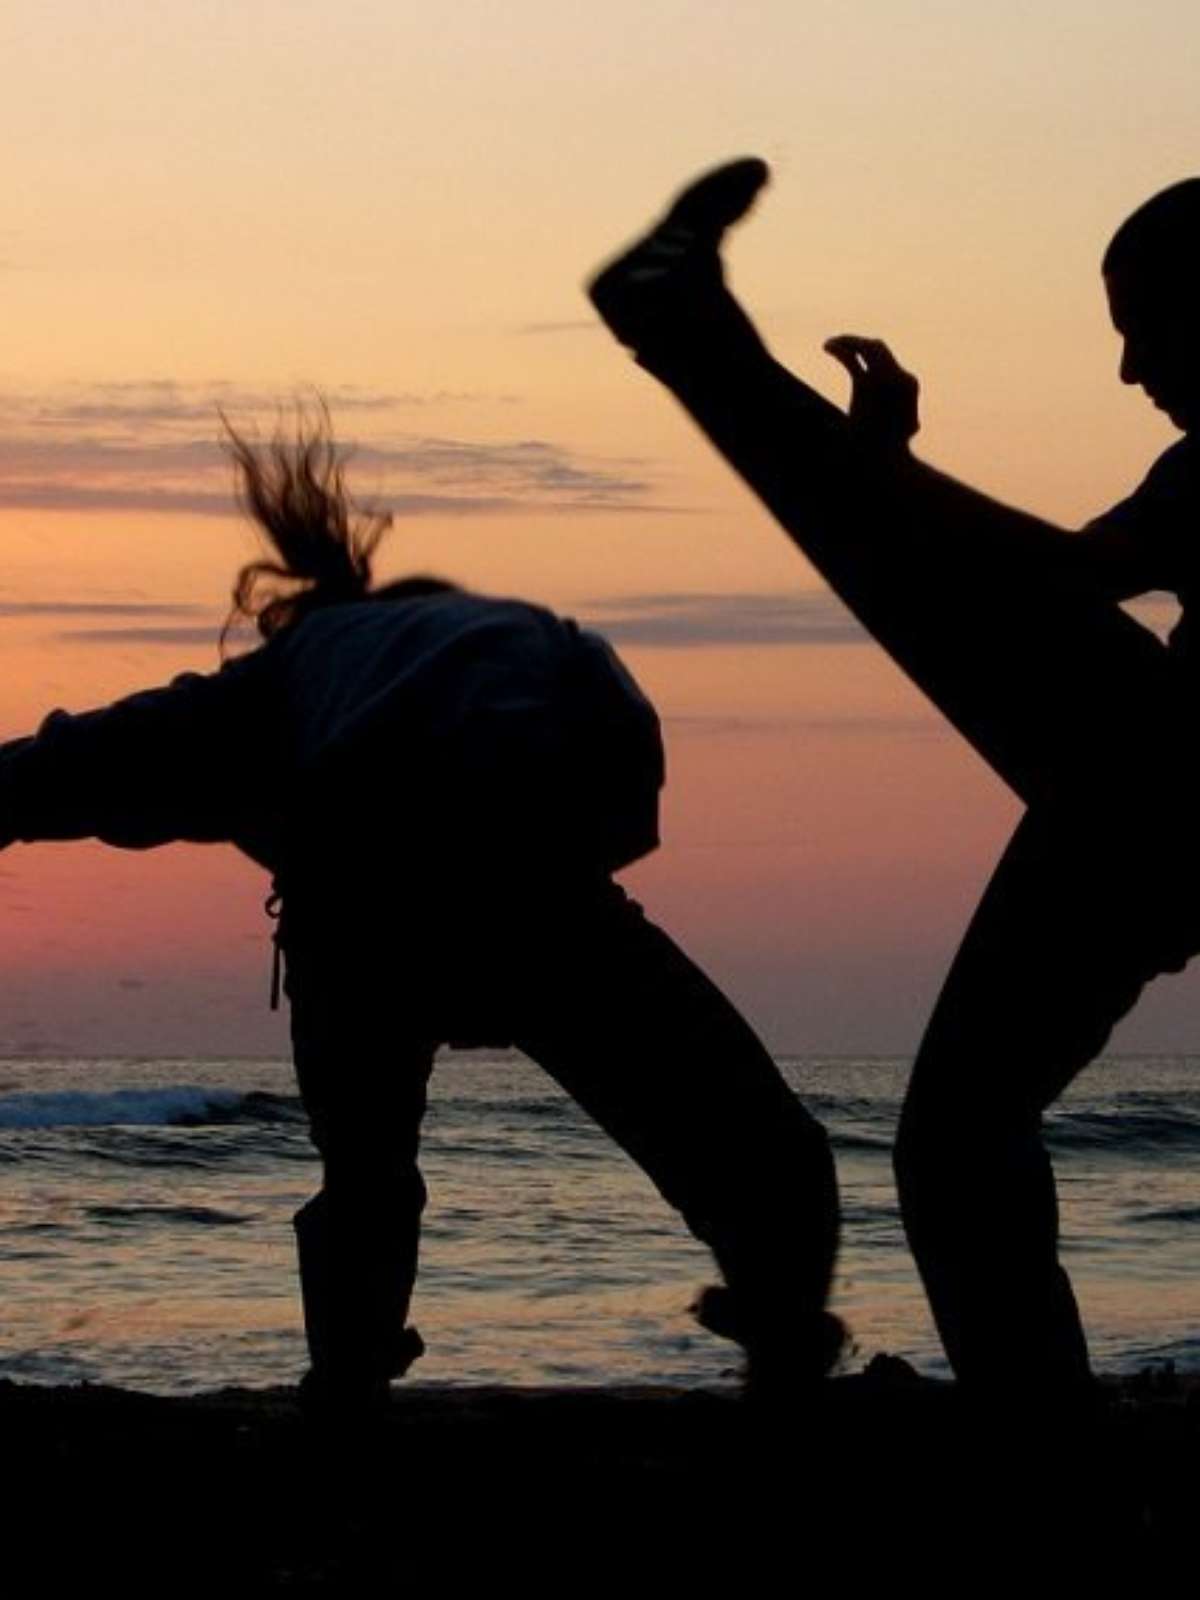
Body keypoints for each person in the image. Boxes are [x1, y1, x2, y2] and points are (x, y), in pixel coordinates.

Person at [0, 410, 842, 1410]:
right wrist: (566, 874)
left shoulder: (291, 670)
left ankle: (350, 1377)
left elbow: (88, 759)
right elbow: (629, 765)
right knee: (761, 1146)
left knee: (367, 1175)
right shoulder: (535, 633)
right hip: (533, 879)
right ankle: (782, 1333)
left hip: (361, 902)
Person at [588, 162, 1200, 1397]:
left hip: (1169, 787)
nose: (1131, 373)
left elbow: (1065, 579)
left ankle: (689, 332)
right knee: (958, 1139)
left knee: (960, 1141)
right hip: (1149, 803)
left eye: (1146, 332)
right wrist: (887, 476)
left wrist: (883, 473)